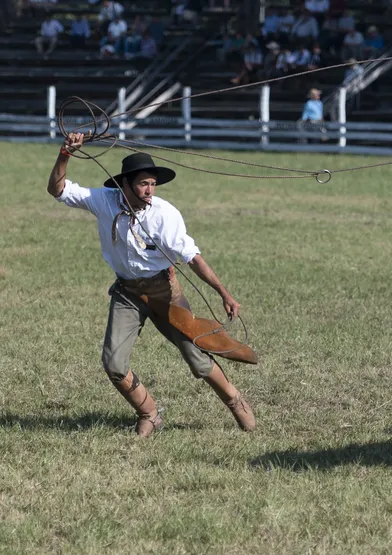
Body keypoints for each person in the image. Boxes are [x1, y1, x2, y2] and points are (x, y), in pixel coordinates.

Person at [47, 133, 258, 437]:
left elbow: (192, 257)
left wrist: (223, 293)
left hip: (164, 291)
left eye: (152, 184)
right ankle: (150, 413)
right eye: (143, 183)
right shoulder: (103, 201)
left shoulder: (165, 214)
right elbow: (57, 189)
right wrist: (65, 153)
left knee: (197, 358)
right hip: (127, 293)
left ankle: (235, 401)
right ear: (125, 184)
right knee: (114, 363)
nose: (149, 190)